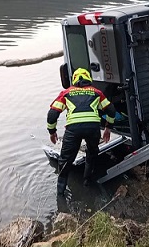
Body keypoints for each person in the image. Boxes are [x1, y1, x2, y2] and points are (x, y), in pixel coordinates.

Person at [47, 67, 117, 196]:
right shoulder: (97, 92)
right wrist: (108, 128)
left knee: (65, 160)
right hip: (93, 128)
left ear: (74, 80)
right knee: (92, 153)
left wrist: (52, 132)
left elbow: (52, 114)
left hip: (73, 129)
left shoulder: (66, 93)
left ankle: (60, 194)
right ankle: (87, 181)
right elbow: (111, 110)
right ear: (89, 79)